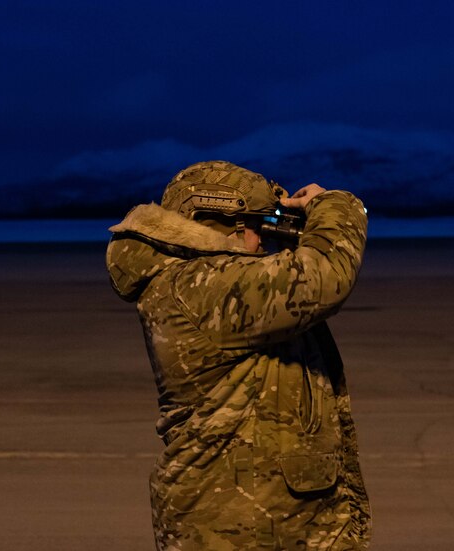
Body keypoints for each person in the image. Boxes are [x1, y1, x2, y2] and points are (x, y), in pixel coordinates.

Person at [106, 160, 371, 550]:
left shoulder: (204, 283)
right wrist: (334, 206)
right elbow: (322, 278)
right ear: (220, 222)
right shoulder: (198, 286)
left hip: (258, 519)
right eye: (256, 225)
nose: (263, 240)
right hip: (234, 525)